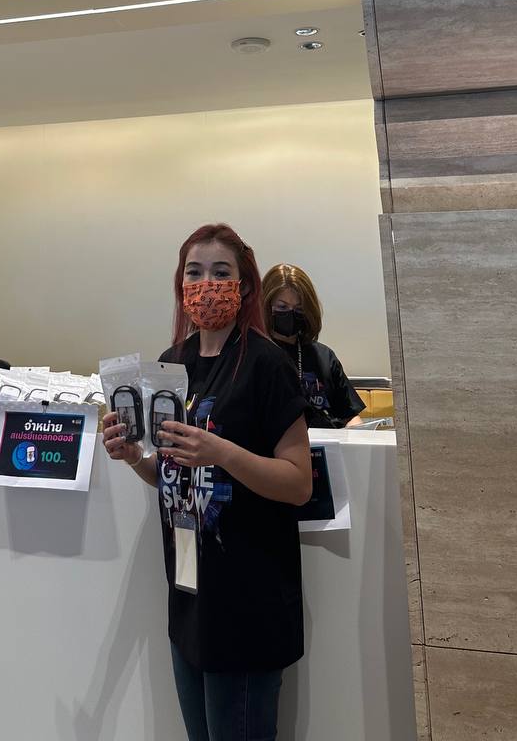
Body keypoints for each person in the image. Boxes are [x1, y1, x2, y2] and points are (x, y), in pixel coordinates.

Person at [102, 224, 312, 741]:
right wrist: (134, 458)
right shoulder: (173, 364)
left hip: (247, 603)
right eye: (194, 273)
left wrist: (221, 452)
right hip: (190, 598)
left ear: (244, 285)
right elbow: (173, 474)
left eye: (221, 272)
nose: (205, 285)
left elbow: (298, 483)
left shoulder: (267, 365)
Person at [263, 263, 365, 429]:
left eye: (299, 309)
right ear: (265, 306)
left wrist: (360, 436)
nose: (290, 313)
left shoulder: (323, 357)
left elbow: (350, 416)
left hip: (327, 441)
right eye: (282, 307)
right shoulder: (252, 354)